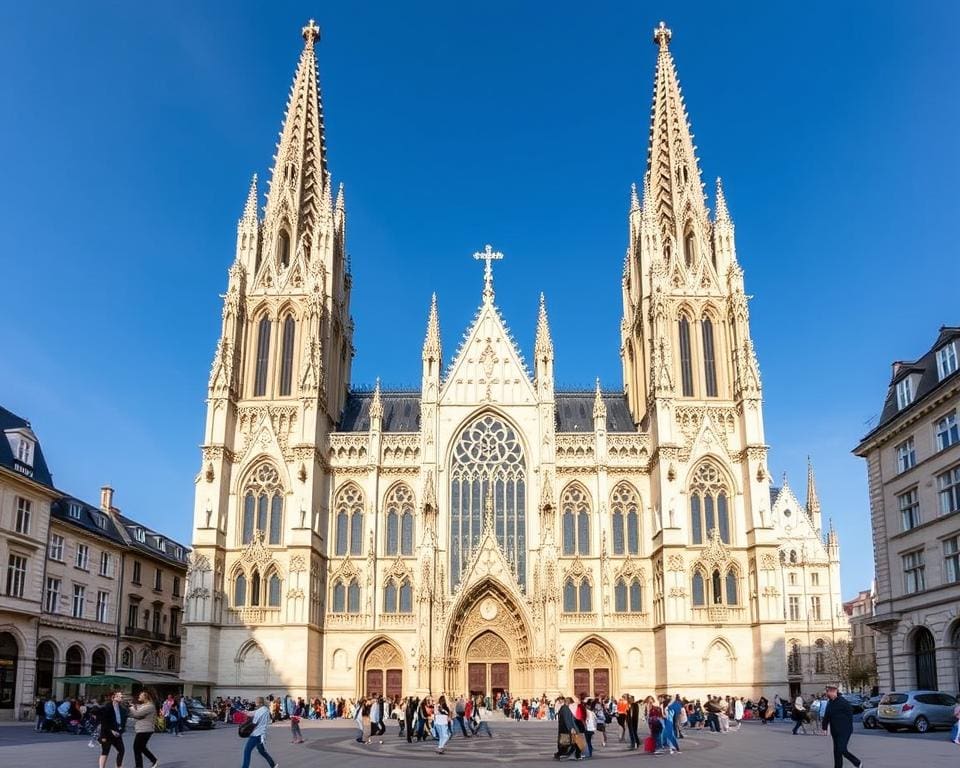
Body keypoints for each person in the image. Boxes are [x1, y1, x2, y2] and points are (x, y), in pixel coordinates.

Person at [821, 685, 862, 768]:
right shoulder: (830, 703)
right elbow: (827, 716)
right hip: (835, 730)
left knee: (841, 749)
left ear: (833, 692)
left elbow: (851, 713)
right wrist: (824, 728)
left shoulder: (843, 702)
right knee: (836, 751)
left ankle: (857, 762)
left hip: (844, 730)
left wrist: (847, 725)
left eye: (828, 692)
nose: (826, 694)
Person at [241, 697, 277, 768]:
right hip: (261, 734)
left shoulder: (260, 711)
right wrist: (246, 712)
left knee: (247, 751)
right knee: (262, 751)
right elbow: (253, 713)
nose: (255, 703)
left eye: (256, 702)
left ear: (260, 703)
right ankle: (273, 765)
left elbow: (254, 722)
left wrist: (246, 727)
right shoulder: (265, 709)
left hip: (256, 734)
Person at [128, 690, 159, 768]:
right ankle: (154, 760)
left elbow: (137, 714)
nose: (139, 696)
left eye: (140, 695)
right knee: (141, 747)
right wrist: (133, 707)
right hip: (142, 729)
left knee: (136, 748)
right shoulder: (144, 705)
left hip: (145, 729)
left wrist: (131, 707)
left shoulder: (150, 706)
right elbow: (135, 714)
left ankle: (139, 766)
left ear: (145, 697)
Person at [97, 690, 128, 768]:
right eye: (119, 696)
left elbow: (123, 720)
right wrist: (107, 733)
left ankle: (119, 766)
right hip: (107, 733)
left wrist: (121, 730)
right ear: (113, 697)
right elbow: (104, 722)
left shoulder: (122, 708)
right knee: (105, 751)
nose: (121, 697)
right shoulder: (107, 707)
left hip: (117, 733)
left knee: (121, 750)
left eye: (122, 696)